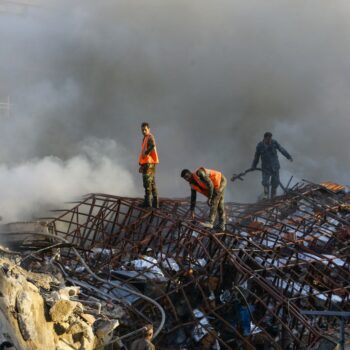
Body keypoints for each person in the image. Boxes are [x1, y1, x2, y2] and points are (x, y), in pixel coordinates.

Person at [251, 131, 293, 199]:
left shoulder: (274, 142)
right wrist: (253, 166)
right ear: (264, 138)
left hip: (275, 167)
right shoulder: (260, 146)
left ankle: (273, 197)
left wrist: (288, 156)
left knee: (275, 183)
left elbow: (281, 149)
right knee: (265, 182)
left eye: (270, 139)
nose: (270, 141)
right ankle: (266, 195)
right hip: (265, 168)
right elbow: (256, 157)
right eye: (268, 139)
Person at [139, 122, 159, 208]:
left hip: (148, 163)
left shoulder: (149, 137)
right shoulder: (145, 138)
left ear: (149, 129)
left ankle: (148, 203)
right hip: (150, 163)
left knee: (147, 183)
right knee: (152, 183)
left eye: (145, 129)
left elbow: (152, 146)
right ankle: (156, 203)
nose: (143, 131)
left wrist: (146, 154)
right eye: (142, 130)